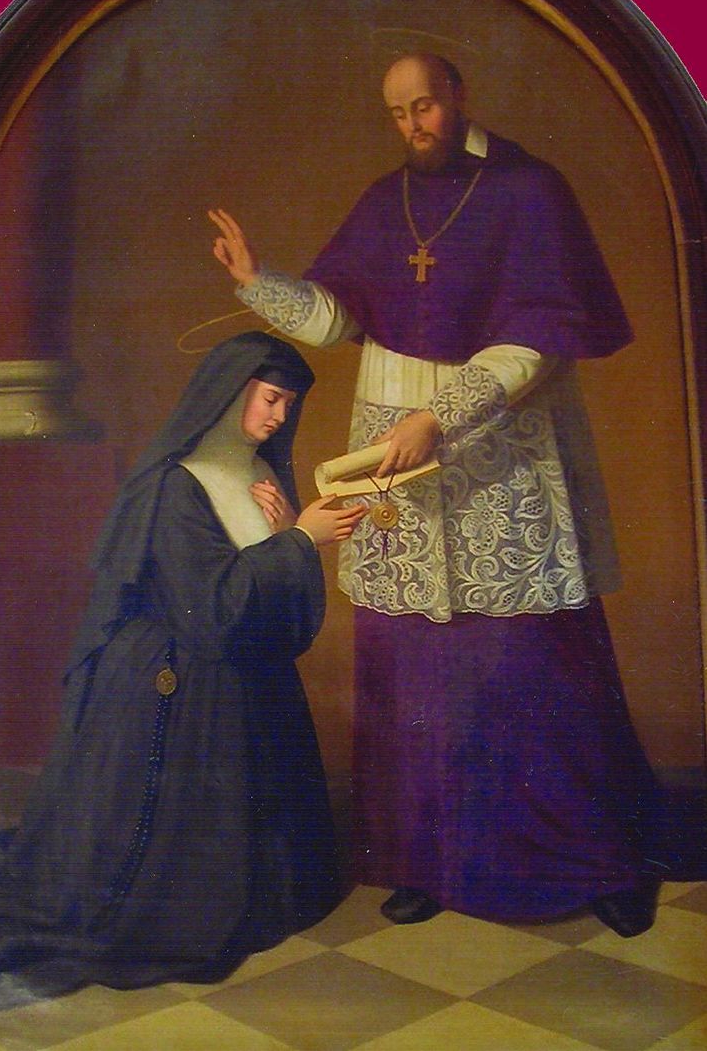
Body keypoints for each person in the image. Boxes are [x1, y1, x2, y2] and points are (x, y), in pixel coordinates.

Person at [207, 54, 661, 938]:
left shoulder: (530, 189)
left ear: (459, 96)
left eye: (424, 106)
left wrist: (440, 416)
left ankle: (593, 860)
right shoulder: (388, 200)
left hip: (498, 442)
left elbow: (541, 336)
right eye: (398, 113)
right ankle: (424, 859)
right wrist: (257, 282)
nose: (414, 125)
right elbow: (342, 316)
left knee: (532, 655)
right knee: (409, 658)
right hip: (393, 442)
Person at [0, 331, 365, 1004]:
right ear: (230, 392)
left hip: (245, 681)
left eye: (290, 404)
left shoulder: (263, 474)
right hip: (175, 684)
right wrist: (296, 540)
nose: (279, 416)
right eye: (270, 398)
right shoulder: (175, 486)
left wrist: (292, 535)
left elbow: (283, 611)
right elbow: (211, 609)